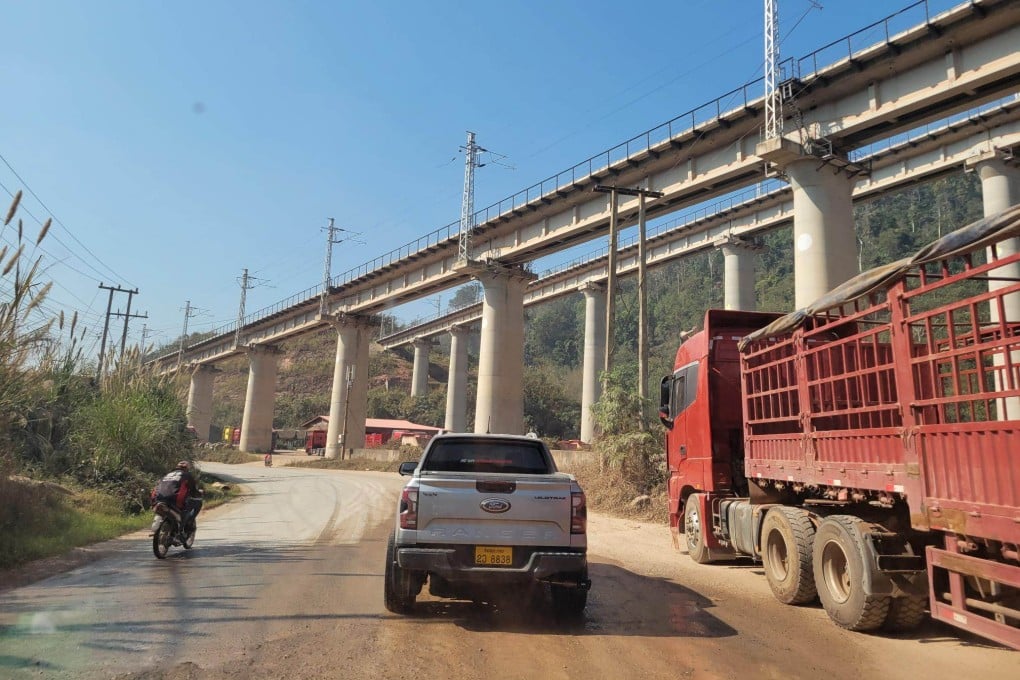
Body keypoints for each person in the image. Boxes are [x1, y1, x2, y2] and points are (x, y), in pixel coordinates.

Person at [153, 460, 203, 532]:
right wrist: (199, 493)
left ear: (176, 467)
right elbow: (193, 490)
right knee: (196, 503)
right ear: (187, 468)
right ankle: (185, 527)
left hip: (158, 499)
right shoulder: (187, 475)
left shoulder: (167, 475)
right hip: (174, 500)